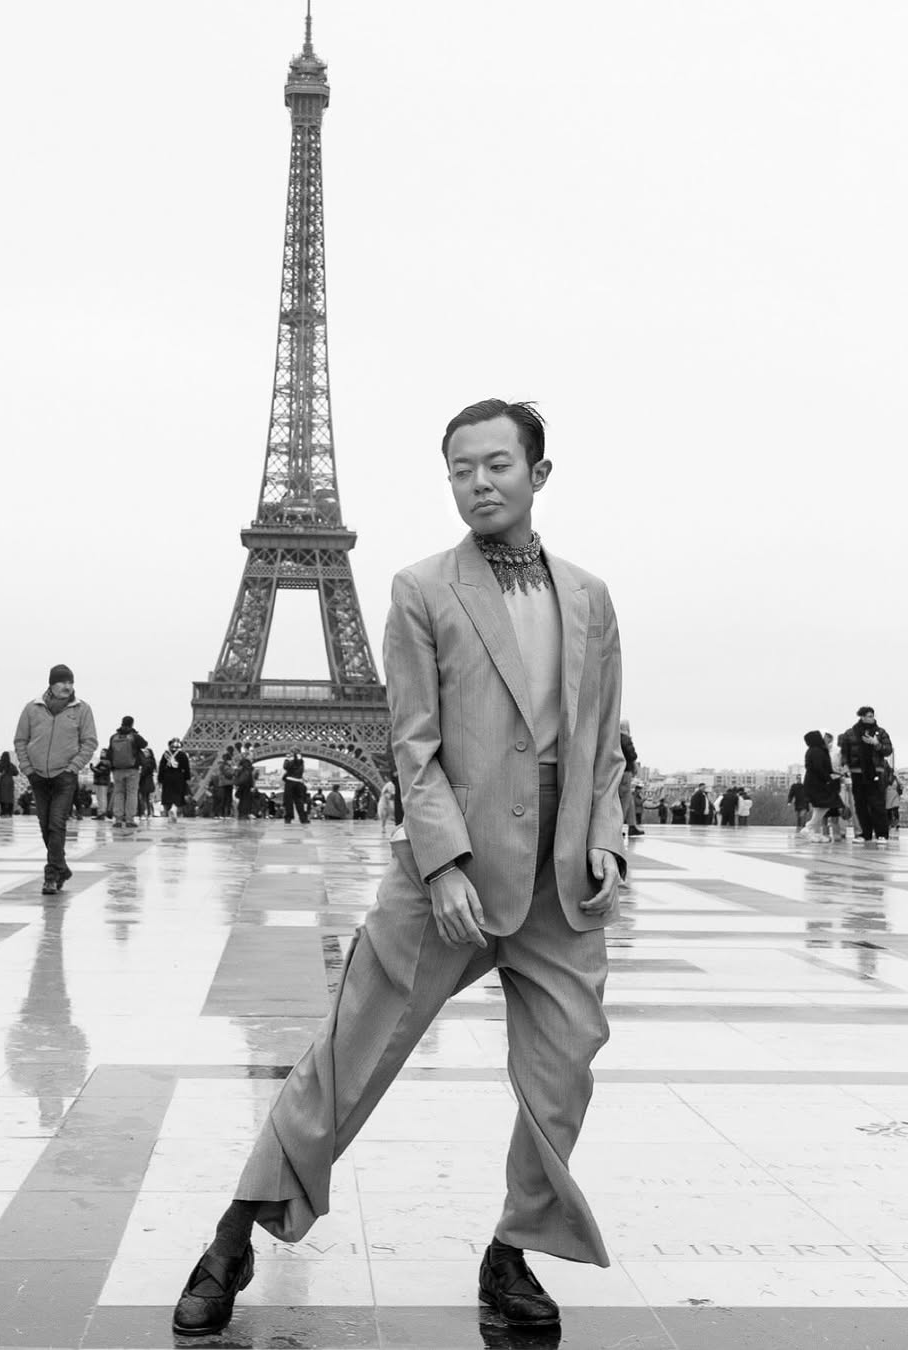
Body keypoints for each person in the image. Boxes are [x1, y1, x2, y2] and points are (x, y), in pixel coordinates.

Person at [172, 397, 625, 1337]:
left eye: (497, 465)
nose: (478, 483)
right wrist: (444, 864)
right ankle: (235, 1232)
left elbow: (604, 738)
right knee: (352, 1051)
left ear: (538, 474)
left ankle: (513, 1248)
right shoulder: (421, 589)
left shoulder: (590, 596)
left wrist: (607, 838)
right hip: (448, 868)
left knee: (565, 1065)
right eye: (461, 469)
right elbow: (411, 745)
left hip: (559, 874)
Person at [14, 664, 98, 894]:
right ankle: (61, 868)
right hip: (38, 775)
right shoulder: (32, 709)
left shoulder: (82, 710)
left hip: (64, 776)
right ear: (51, 684)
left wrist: (73, 768)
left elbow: (90, 742)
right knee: (45, 825)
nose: (67, 686)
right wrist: (27, 768)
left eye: (70, 682)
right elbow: (20, 740)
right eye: (63, 682)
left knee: (56, 823)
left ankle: (51, 876)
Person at [838, 707, 895, 844]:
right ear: (862, 717)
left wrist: (877, 744)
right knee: (860, 804)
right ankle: (865, 834)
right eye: (869, 716)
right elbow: (844, 752)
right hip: (857, 772)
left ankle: (882, 834)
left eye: (872, 716)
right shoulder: (850, 733)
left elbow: (888, 750)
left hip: (875, 772)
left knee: (877, 804)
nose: (872, 718)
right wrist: (845, 764)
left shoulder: (880, 732)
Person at [107, 716, 148, 827]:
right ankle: (129, 819)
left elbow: (109, 753)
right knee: (132, 793)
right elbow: (145, 744)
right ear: (132, 724)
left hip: (117, 770)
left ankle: (118, 819)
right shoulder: (134, 737)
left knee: (118, 793)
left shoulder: (113, 737)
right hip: (132, 769)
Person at [801, 729, 840, 842]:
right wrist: (829, 778)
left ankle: (812, 830)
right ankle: (809, 827)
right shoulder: (818, 751)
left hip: (814, 783)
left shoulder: (813, 750)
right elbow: (819, 768)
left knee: (820, 806)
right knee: (826, 804)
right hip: (817, 783)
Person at [618, 719, 643, 836]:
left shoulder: (613, 737)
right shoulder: (624, 737)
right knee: (625, 800)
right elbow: (632, 755)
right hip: (625, 772)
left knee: (629, 799)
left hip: (618, 771)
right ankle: (617, 828)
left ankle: (632, 825)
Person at [158, 739, 191, 820]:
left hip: (167, 777)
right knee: (178, 795)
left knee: (168, 795)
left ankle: (170, 813)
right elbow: (186, 768)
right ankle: (174, 808)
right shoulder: (182, 755)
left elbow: (161, 767)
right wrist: (187, 777)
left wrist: (160, 779)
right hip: (179, 777)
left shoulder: (165, 754)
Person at [282, 747, 309, 824]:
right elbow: (301, 770)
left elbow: (286, 767)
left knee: (288, 801)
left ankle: (288, 817)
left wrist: (288, 759)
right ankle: (303, 818)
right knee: (300, 801)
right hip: (299, 782)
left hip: (290, 781)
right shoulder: (301, 760)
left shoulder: (290, 759)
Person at [234, 753, 256, 819]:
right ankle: (244, 814)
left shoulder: (243, 765)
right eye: (251, 756)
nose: (252, 758)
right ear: (247, 756)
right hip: (246, 785)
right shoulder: (247, 765)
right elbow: (249, 777)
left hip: (243, 785)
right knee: (246, 800)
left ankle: (242, 814)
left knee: (243, 800)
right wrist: (252, 785)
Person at [0, 751, 18, 817]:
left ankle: (3, 812)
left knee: (2, 797)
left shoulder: (0, 765)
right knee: (10, 797)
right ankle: (9, 812)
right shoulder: (11, 765)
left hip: (3, 781)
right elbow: (16, 773)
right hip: (10, 782)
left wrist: (0, 773)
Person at [92, 751, 112, 818]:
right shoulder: (102, 762)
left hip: (102, 782)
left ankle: (102, 812)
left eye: (103, 752)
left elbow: (101, 772)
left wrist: (93, 768)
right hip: (100, 782)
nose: (101, 753)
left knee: (102, 798)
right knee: (99, 798)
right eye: (101, 752)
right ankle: (101, 812)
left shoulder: (105, 762)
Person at [138, 747, 157, 819]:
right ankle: (149, 813)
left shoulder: (146, 761)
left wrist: (140, 774)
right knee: (147, 798)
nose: (145, 753)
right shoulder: (152, 761)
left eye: (146, 752)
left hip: (144, 781)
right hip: (149, 781)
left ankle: (143, 813)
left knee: (143, 798)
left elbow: (144, 771)